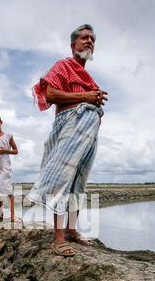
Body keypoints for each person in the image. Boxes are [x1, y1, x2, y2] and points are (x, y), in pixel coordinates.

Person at [27, 24, 108, 257]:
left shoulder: (89, 78)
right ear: (73, 45)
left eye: (92, 39)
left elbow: (90, 99)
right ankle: (58, 238)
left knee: (78, 181)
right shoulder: (63, 66)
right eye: (84, 38)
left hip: (87, 131)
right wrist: (86, 97)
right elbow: (50, 95)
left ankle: (72, 230)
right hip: (70, 126)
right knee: (62, 177)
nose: (89, 41)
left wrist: (94, 100)